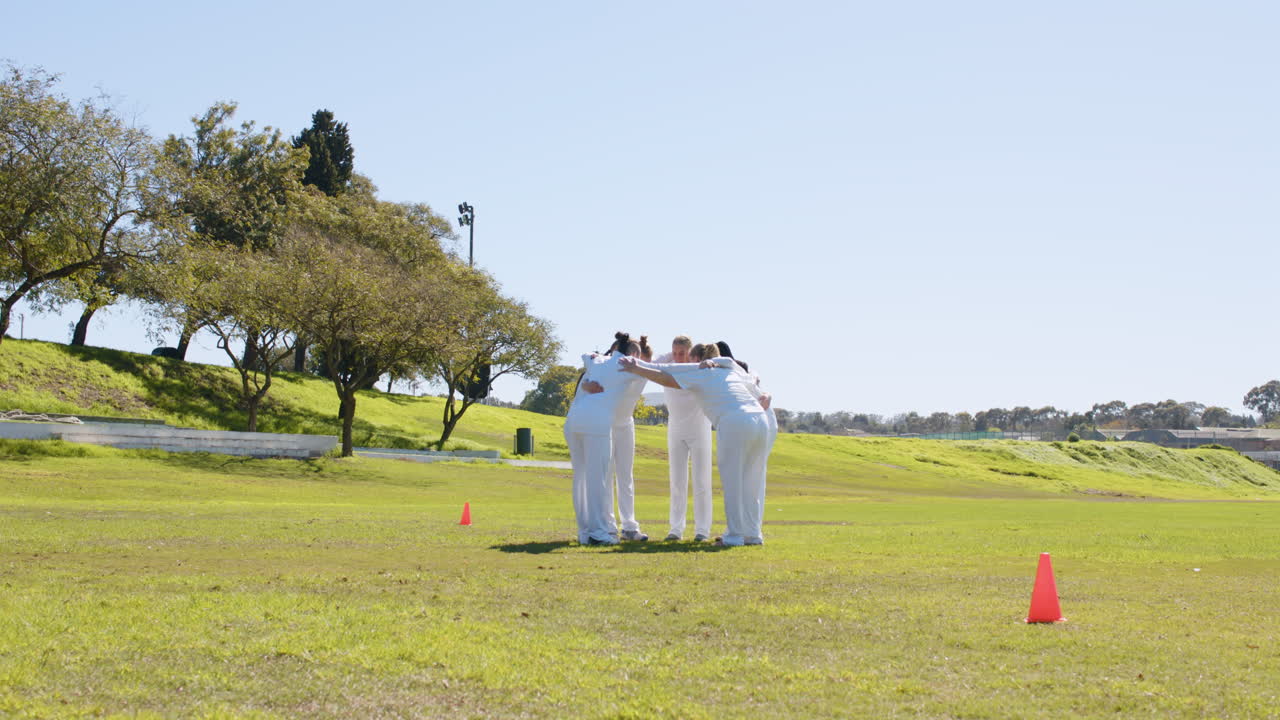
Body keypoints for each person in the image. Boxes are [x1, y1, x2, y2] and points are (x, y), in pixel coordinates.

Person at [619, 351, 773, 546]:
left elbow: (666, 375)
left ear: (699, 360)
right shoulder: (731, 370)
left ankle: (734, 536)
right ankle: (753, 534)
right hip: (760, 420)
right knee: (751, 480)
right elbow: (749, 378)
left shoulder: (702, 373)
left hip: (734, 420)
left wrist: (637, 368)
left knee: (733, 480)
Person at [563, 332, 647, 545]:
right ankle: (599, 532)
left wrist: (587, 381)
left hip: (574, 421)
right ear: (634, 354)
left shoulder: (597, 361)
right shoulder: (628, 367)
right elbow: (662, 372)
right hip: (597, 424)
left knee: (580, 478)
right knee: (598, 479)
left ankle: (584, 533)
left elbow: (586, 356)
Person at [656, 336, 714, 541]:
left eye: (683, 353)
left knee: (702, 482)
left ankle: (702, 530)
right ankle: (675, 529)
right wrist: (668, 356)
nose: (678, 357)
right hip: (676, 431)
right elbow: (650, 364)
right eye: (675, 353)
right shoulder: (667, 367)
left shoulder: (700, 370)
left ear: (690, 353)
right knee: (677, 482)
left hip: (700, 431)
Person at [608, 335, 652, 541]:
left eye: (637, 355)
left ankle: (629, 526)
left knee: (625, 477)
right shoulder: (609, 369)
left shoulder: (643, 372)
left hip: (626, 425)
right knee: (606, 477)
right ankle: (607, 526)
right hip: (605, 425)